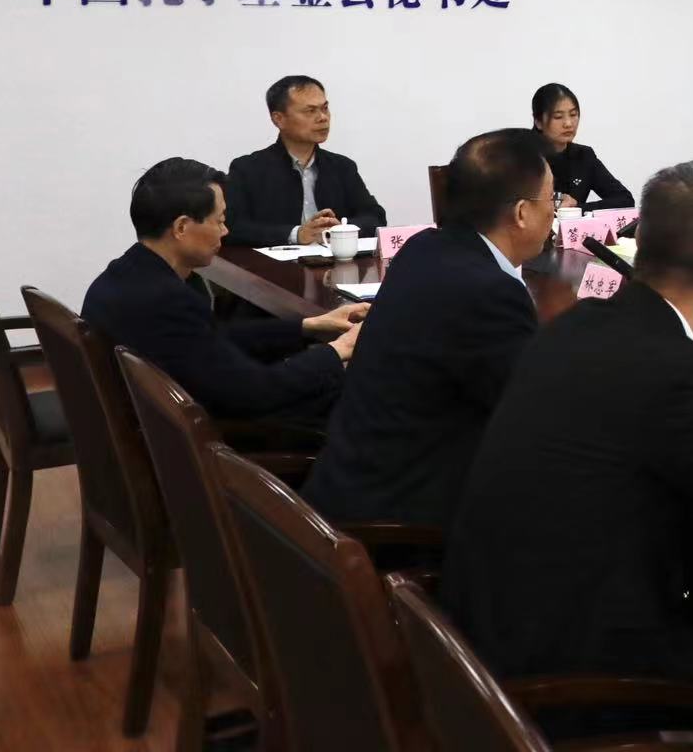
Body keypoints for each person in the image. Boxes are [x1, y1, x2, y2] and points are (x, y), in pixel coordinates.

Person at [440, 160, 693, 696]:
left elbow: (654, 438)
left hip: (474, 635)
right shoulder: (684, 373)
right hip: (571, 673)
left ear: (639, 244)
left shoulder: (575, 325)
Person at [302, 129, 552, 528]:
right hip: (398, 516)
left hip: (352, 481)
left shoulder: (425, 247)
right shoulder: (490, 292)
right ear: (521, 213)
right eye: (551, 200)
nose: (554, 213)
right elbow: (528, 418)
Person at [82, 157, 364, 430]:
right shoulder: (166, 300)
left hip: (163, 421)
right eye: (219, 221)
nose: (225, 231)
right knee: (360, 395)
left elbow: (214, 338)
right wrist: (336, 351)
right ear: (181, 227)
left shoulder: (127, 273)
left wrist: (310, 326)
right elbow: (256, 393)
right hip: (209, 437)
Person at [224, 75, 387, 248]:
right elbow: (233, 228)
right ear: (279, 119)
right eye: (310, 111)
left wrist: (341, 229)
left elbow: (375, 217)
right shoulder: (248, 169)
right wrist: (296, 234)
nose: (323, 117)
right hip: (276, 263)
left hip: (334, 261)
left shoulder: (342, 167)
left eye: (325, 108)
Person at [532, 82, 634, 212]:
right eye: (558, 117)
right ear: (538, 121)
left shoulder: (583, 156)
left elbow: (625, 200)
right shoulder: (522, 157)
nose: (568, 123)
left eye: (573, 114)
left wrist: (577, 208)